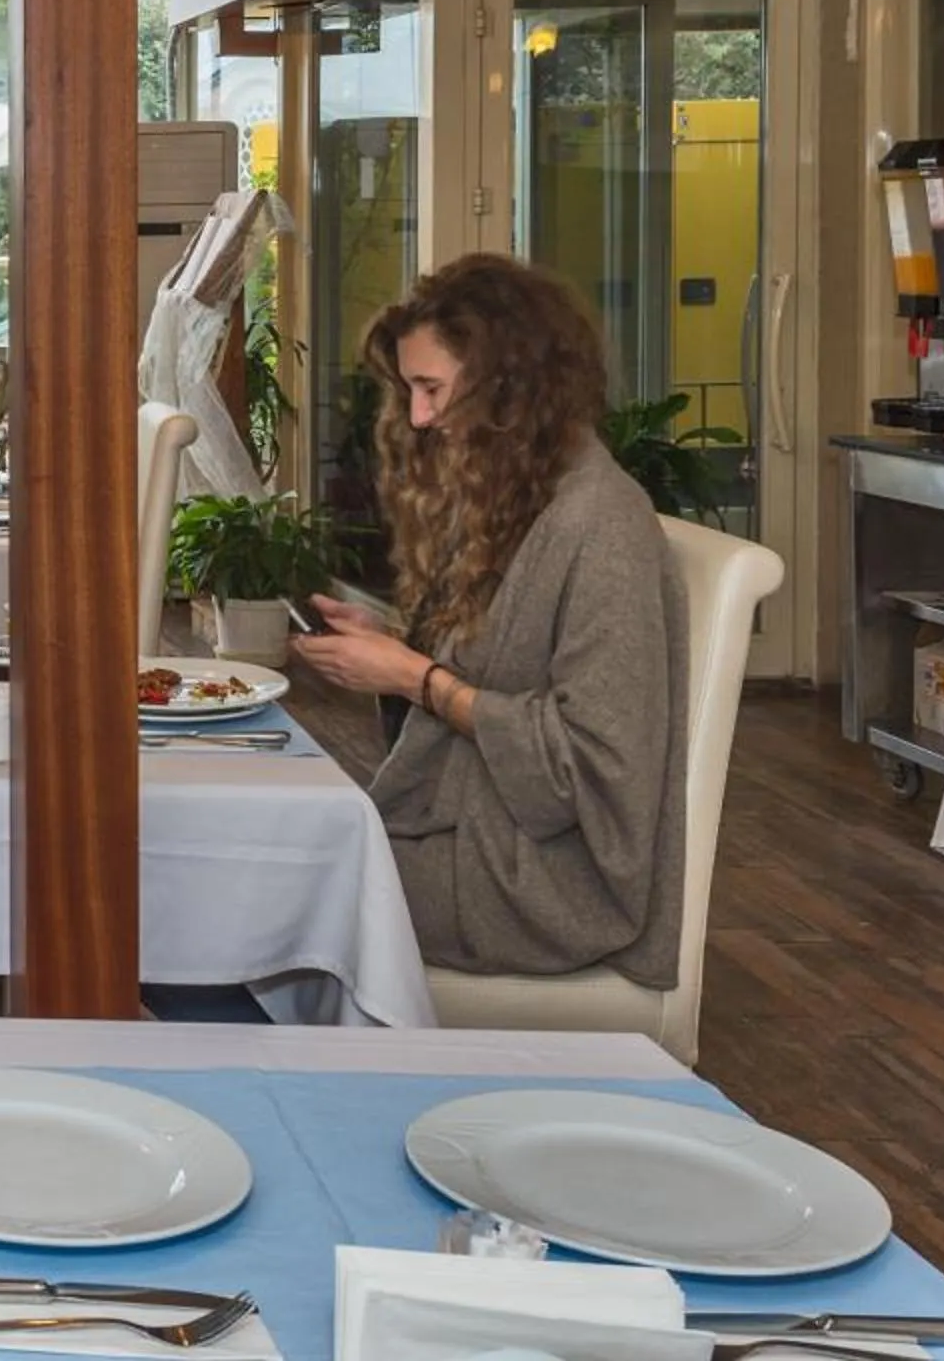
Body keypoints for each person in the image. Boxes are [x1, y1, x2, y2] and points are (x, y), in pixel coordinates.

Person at [291, 252, 688, 987]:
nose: (417, 417)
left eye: (431, 388)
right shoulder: (516, 501)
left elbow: (590, 772)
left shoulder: (602, 527)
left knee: (273, 884)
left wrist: (417, 678)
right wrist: (395, 653)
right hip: (478, 840)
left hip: (546, 884)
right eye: (410, 390)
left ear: (511, 386)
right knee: (264, 862)